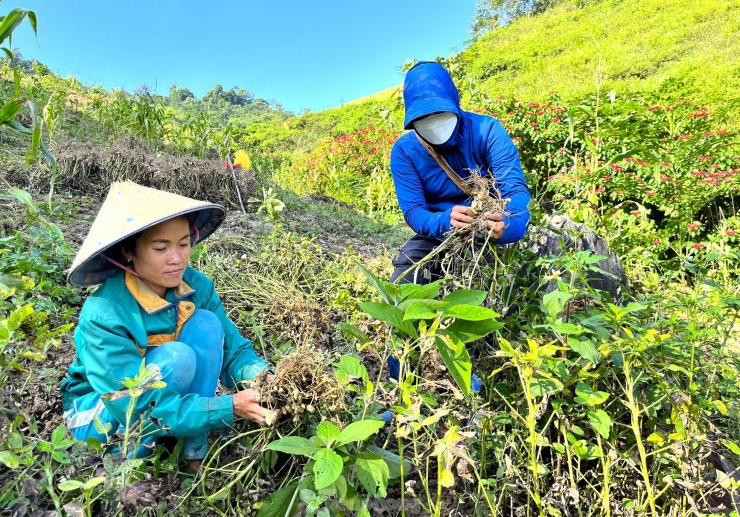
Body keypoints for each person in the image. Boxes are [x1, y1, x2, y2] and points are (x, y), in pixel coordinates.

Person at [60, 181, 271, 466]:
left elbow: (233, 352)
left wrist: (265, 379)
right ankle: (127, 458)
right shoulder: (104, 314)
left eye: (184, 244)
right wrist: (229, 407)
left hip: (163, 396)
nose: (177, 258)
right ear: (128, 252)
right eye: (161, 248)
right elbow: (129, 403)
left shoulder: (196, 287)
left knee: (206, 325)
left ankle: (193, 451)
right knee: (177, 358)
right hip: (101, 411)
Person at [389, 61, 531, 283]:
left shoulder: (487, 131)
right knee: (405, 281)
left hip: (489, 229)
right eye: (423, 119)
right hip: (440, 234)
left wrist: (507, 225)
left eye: (440, 113)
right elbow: (414, 212)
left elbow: (515, 190)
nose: (434, 125)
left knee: (506, 284)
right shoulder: (404, 151)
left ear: (454, 101)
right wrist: (446, 221)